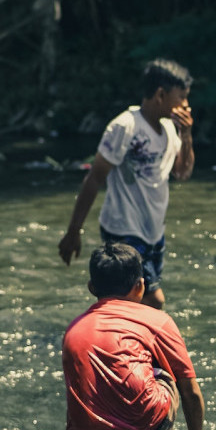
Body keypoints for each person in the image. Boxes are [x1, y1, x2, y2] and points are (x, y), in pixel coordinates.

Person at [60, 242, 205, 430]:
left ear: (92, 288)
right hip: (147, 423)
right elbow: (190, 391)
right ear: (140, 286)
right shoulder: (157, 320)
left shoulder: (73, 329)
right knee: (161, 367)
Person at [57, 59, 195, 309]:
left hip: (153, 231)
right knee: (153, 300)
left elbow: (182, 173)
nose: (186, 104)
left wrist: (186, 136)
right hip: (123, 228)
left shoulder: (170, 129)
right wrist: (73, 230)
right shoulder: (126, 126)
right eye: (181, 97)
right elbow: (95, 177)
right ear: (161, 95)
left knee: (135, 300)